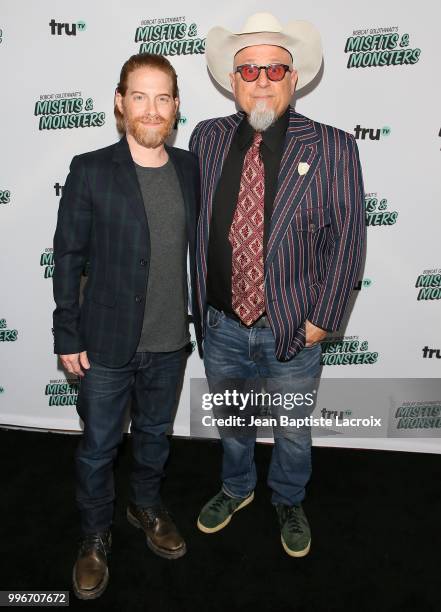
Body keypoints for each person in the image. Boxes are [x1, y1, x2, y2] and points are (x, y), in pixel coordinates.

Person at [189, 12, 365, 557]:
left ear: (294, 78)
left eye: (274, 68)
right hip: (220, 324)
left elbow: (348, 239)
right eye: (248, 70)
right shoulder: (207, 138)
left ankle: (288, 497)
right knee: (235, 419)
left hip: (291, 326)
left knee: (291, 429)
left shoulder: (332, 147)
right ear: (233, 81)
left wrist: (322, 320)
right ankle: (237, 487)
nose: (261, 80)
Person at [52, 53, 201, 599]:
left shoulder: (190, 168)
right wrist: (66, 333)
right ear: (120, 102)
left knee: (156, 437)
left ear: (176, 106)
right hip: (105, 342)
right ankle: (93, 537)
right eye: (140, 96)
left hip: (170, 342)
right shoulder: (90, 168)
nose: (152, 108)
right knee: (97, 447)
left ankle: (146, 506)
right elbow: (68, 256)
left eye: (163, 97)